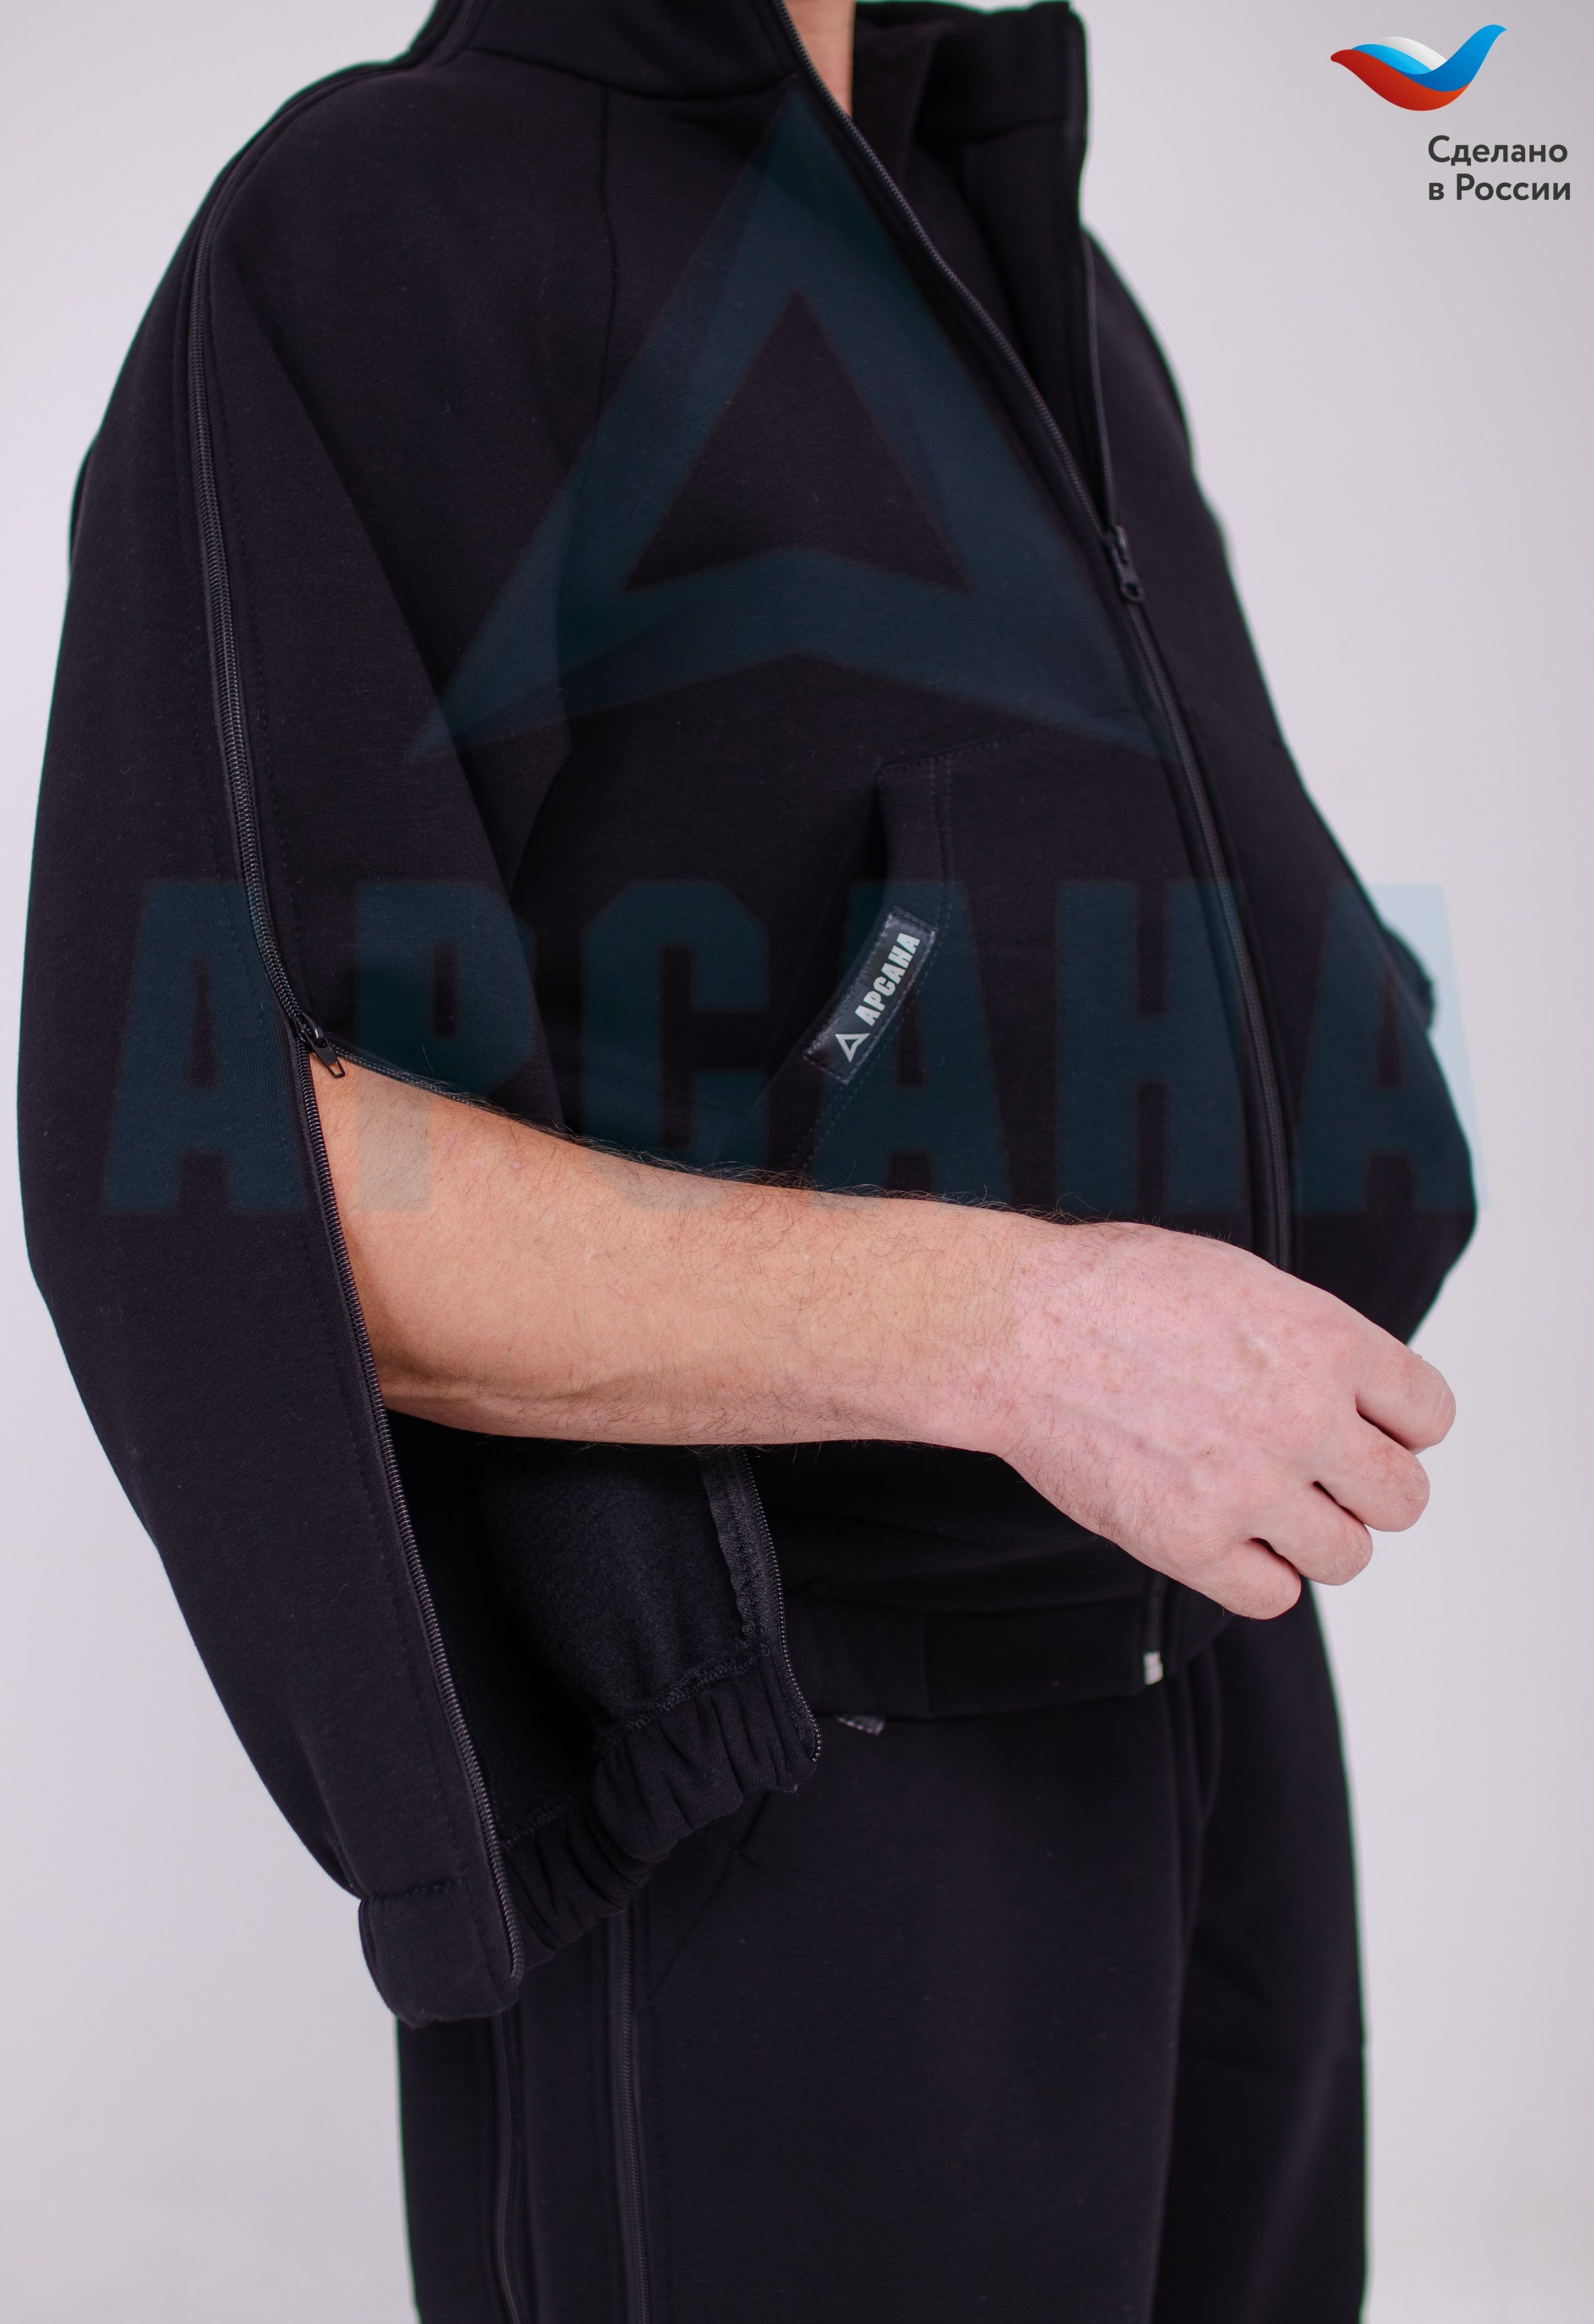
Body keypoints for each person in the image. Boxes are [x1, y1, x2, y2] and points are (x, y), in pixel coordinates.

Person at [20, 0, 1475, 2316]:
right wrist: (1019, 1330)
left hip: (1218, 1728)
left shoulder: (1019, 260)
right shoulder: (390, 224)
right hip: (790, 1809)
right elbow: (209, 1150)